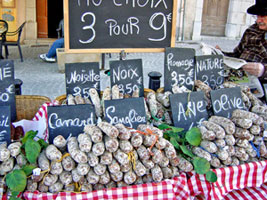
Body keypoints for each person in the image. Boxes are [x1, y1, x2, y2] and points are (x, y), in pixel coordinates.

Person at [217, 0, 267, 84]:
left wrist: (263, 70)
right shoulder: (251, 30)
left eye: (262, 16)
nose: (259, 21)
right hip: (240, 77)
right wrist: (220, 53)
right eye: (257, 16)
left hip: (262, 82)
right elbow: (237, 54)